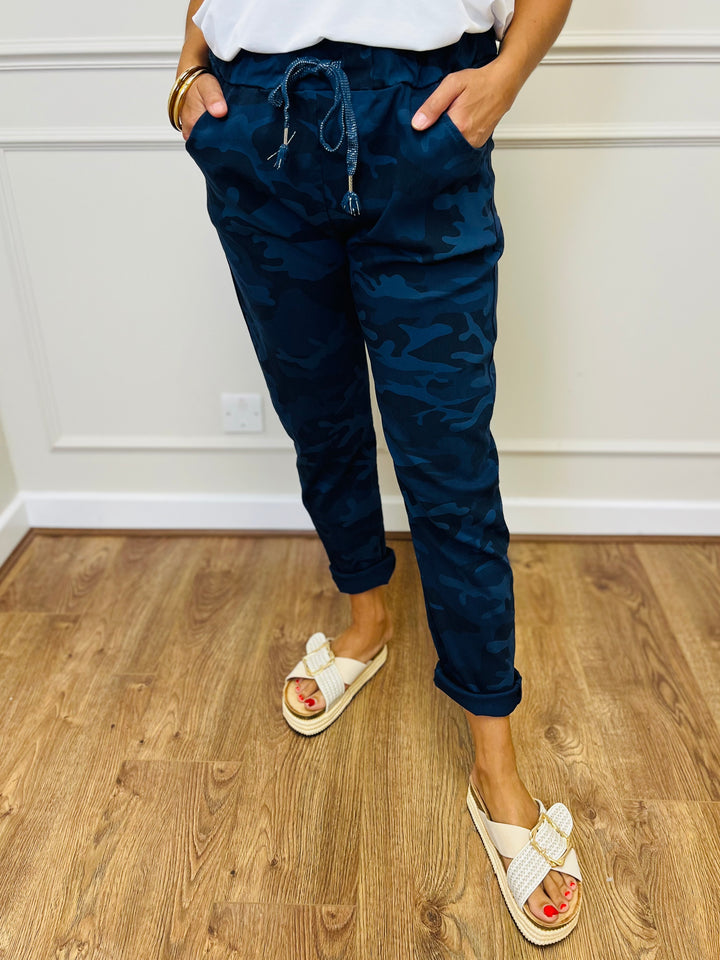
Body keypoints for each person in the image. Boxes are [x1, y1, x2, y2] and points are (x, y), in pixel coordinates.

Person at [172, 0, 583, 944]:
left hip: (421, 116)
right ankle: (367, 623)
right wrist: (189, 66)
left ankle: (495, 765)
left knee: (449, 465)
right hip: (257, 121)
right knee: (319, 421)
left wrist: (508, 75)